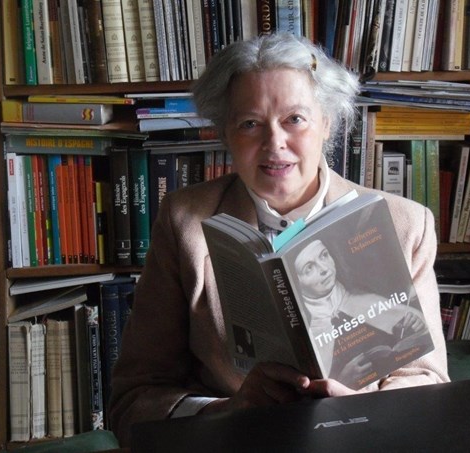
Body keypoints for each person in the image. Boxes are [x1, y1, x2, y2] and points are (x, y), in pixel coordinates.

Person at [109, 32, 449, 447]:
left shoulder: (404, 224)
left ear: (327, 123)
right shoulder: (184, 222)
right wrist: (226, 411)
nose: (275, 143)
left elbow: (427, 379)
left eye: (295, 119)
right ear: (226, 134)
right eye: (250, 124)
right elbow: (133, 400)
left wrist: (364, 408)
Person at [292, 238, 431, 387]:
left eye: (324, 255)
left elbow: (425, 365)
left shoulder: (366, 299)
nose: (324, 269)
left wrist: (417, 327)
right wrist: (344, 381)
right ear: (297, 281)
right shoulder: (306, 333)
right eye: (309, 268)